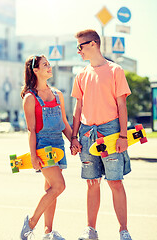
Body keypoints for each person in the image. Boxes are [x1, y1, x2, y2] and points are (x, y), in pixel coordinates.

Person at [71, 29, 132, 240]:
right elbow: (77, 109)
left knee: (115, 181)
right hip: (87, 133)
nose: (78, 51)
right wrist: (73, 137)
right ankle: (91, 230)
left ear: (93, 44)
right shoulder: (80, 75)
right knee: (92, 182)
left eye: (80, 46)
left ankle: (123, 230)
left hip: (110, 132)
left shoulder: (116, 70)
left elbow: (122, 106)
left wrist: (123, 136)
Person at [20, 55, 72, 240]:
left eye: (49, 64)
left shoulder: (58, 94)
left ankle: (48, 232)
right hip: (43, 146)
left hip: (58, 144)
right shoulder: (29, 98)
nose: (49, 67)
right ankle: (31, 223)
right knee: (59, 186)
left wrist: (73, 140)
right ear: (35, 70)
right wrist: (33, 156)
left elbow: (64, 123)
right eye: (45, 65)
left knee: (51, 189)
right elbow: (31, 130)